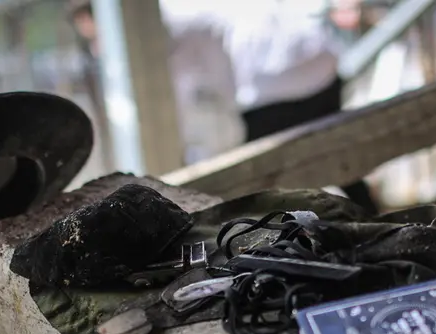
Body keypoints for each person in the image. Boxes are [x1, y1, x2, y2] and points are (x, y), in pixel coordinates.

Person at [68, 0, 378, 214]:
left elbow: (192, 97)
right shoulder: (168, 18)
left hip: (276, 83)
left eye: (98, 37)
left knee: (275, 173)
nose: (98, 47)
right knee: (333, 155)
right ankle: (368, 216)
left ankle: (342, 227)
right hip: (312, 63)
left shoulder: (161, 31)